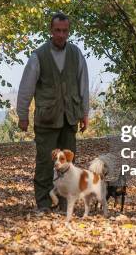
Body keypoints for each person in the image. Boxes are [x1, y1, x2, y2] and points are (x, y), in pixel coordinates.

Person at [16, 12, 90, 213]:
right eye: (57, 30)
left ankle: (65, 204)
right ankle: (44, 204)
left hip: (69, 118)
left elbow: (83, 85)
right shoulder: (38, 55)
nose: (61, 35)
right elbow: (26, 87)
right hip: (46, 118)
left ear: (68, 32)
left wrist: (85, 113)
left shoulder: (76, 54)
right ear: (51, 31)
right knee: (44, 163)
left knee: (68, 165)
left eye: (65, 31)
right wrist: (22, 115)